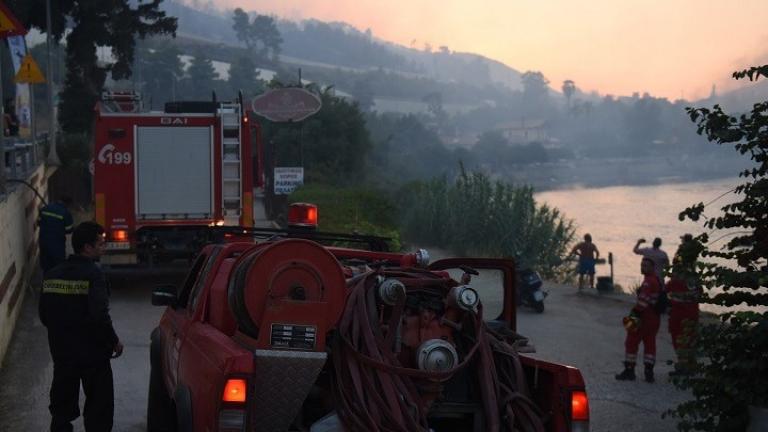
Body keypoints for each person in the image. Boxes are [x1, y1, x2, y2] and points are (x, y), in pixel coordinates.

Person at [39, 222, 123, 431]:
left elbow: (44, 315)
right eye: (100, 243)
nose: (104, 247)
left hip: (62, 352)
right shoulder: (94, 275)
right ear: (87, 248)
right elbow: (99, 316)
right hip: (93, 353)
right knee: (99, 408)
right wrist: (114, 341)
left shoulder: (52, 274)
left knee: (61, 407)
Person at [616, 257, 662, 383]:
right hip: (654, 319)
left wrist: (633, 314)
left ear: (652, 268)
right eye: (642, 265)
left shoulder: (648, 282)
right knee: (650, 345)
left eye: (646, 266)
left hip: (643, 317)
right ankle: (649, 373)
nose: (643, 267)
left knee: (631, 342)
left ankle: (629, 371)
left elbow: (643, 301)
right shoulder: (657, 280)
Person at [667, 233, 703, 375]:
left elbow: (668, 292)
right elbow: (699, 293)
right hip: (692, 312)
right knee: (690, 337)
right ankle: (691, 364)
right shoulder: (694, 278)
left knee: (679, 337)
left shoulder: (676, 280)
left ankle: (683, 367)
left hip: (679, 313)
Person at [39, 197, 75, 273]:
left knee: (46, 264)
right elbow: (69, 230)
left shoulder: (45, 208)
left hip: (43, 241)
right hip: (57, 244)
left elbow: (39, 222)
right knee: (58, 265)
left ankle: (46, 281)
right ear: (67, 204)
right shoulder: (66, 213)